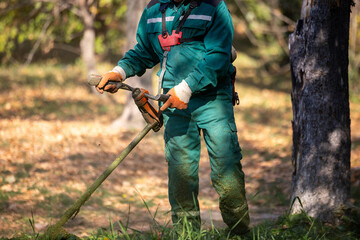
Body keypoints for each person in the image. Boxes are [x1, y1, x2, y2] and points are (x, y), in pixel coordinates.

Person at [96, 0, 250, 235]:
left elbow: (218, 57)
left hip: (214, 101)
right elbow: (145, 51)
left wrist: (186, 89)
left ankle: (240, 232)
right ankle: (187, 234)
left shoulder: (214, 7)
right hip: (172, 102)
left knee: (226, 167)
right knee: (181, 172)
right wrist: (120, 71)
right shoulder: (153, 9)